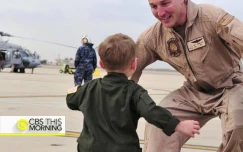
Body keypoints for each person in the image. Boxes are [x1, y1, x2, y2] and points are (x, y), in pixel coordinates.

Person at [130, 0, 243, 152]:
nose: (160, 13)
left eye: (165, 3)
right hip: (192, 92)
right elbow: (129, 71)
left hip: (230, 87)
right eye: (153, 6)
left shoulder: (211, 17)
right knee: (158, 124)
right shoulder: (153, 37)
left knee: (239, 124)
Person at [66, 33, 201, 152]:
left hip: (89, 148)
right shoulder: (135, 92)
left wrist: (74, 89)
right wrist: (177, 124)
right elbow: (151, 111)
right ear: (133, 65)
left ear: (101, 64)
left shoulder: (89, 87)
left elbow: (71, 99)